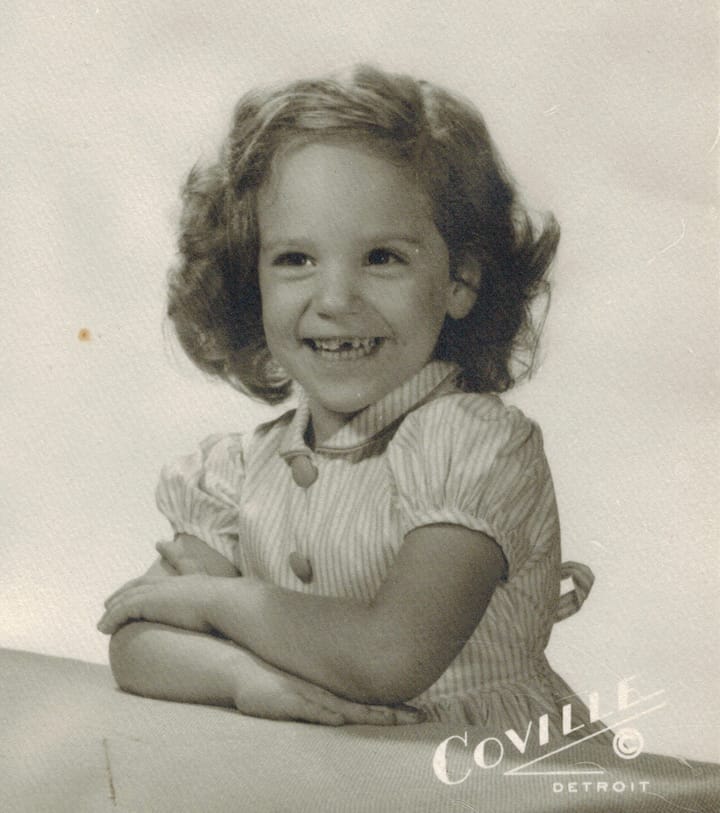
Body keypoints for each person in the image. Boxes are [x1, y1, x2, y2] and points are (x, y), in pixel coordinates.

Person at [98, 65, 610, 740]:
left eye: (382, 257)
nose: (335, 299)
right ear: (250, 279)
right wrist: (245, 679)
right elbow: (134, 638)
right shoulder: (239, 472)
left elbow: (387, 657)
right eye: (295, 260)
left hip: (488, 773)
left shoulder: (473, 446)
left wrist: (216, 598)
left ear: (459, 280)